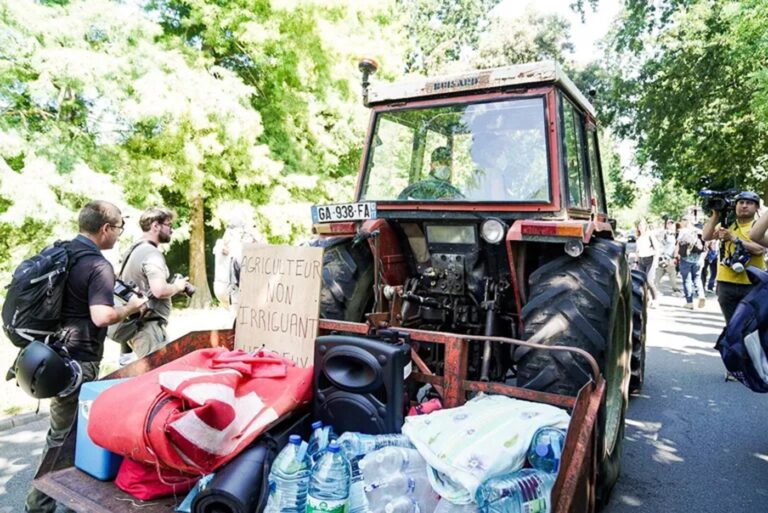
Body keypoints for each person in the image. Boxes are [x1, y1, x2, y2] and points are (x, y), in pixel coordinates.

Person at [25, 201, 147, 513]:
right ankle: (39, 505)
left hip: (54, 355)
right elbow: (102, 316)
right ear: (105, 228)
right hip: (78, 360)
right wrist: (131, 308)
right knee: (65, 438)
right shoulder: (97, 265)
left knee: (67, 434)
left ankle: (62, 501)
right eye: (119, 228)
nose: (119, 234)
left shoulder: (63, 252)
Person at [120, 207, 189, 358]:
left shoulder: (134, 249)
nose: (172, 230)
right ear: (155, 226)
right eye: (169, 225)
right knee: (159, 369)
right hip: (148, 330)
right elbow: (159, 291)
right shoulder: (151, 253)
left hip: (139, 327)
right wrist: (178, 287)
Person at [703, 191, 766, 323]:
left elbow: (759, 249)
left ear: (756, 207)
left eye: (749, 203)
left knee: (750, 325)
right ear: (734, 206)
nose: (744, 206)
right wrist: (715, 215)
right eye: (741, 202)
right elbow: (706, 236)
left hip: (752, 284)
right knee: (732, 324)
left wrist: (733, 238)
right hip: (726, 283)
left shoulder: (758, 227)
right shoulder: (727, 224)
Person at [398, 146, 462, 200]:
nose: (444, 166)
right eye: (440, 163)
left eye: (447, 163)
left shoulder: (454, 193)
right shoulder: (417, 190)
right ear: (431, 165)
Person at [675, 216, 706, 309]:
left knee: (687, 280)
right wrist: (703, 258)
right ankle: (701, 295)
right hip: (698, 259)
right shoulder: (699, 231)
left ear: (685, 221)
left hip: (686, 259)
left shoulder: (683, 231)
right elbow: (705, 245)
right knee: (697, 278)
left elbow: (678, 245)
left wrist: (675, 257)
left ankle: (689, 302)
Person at [635, 218, 660, 307]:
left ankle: (655, 299)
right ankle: (646, 299)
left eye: (642, 225)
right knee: (642, 281)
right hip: (641, 260)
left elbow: (657, 249)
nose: (641, 227)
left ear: (645, 226)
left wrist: (656, 261)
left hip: (650, 259)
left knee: (649, 280)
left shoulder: (650, 235)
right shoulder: (638, 238)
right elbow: (637, 251)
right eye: (639, 226)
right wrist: (636, 262)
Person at [654, 219, 682, 296]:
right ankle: (675, 291)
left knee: (670, 275)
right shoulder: (665, 233)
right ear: (666, 225)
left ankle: (675, 291)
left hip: (669, 258)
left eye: (671, 223)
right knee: (660, 275)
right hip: (665, 258)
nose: (670, 225)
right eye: (668, 223)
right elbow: (659, 242)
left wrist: (675, 258)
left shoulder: (676, 234)